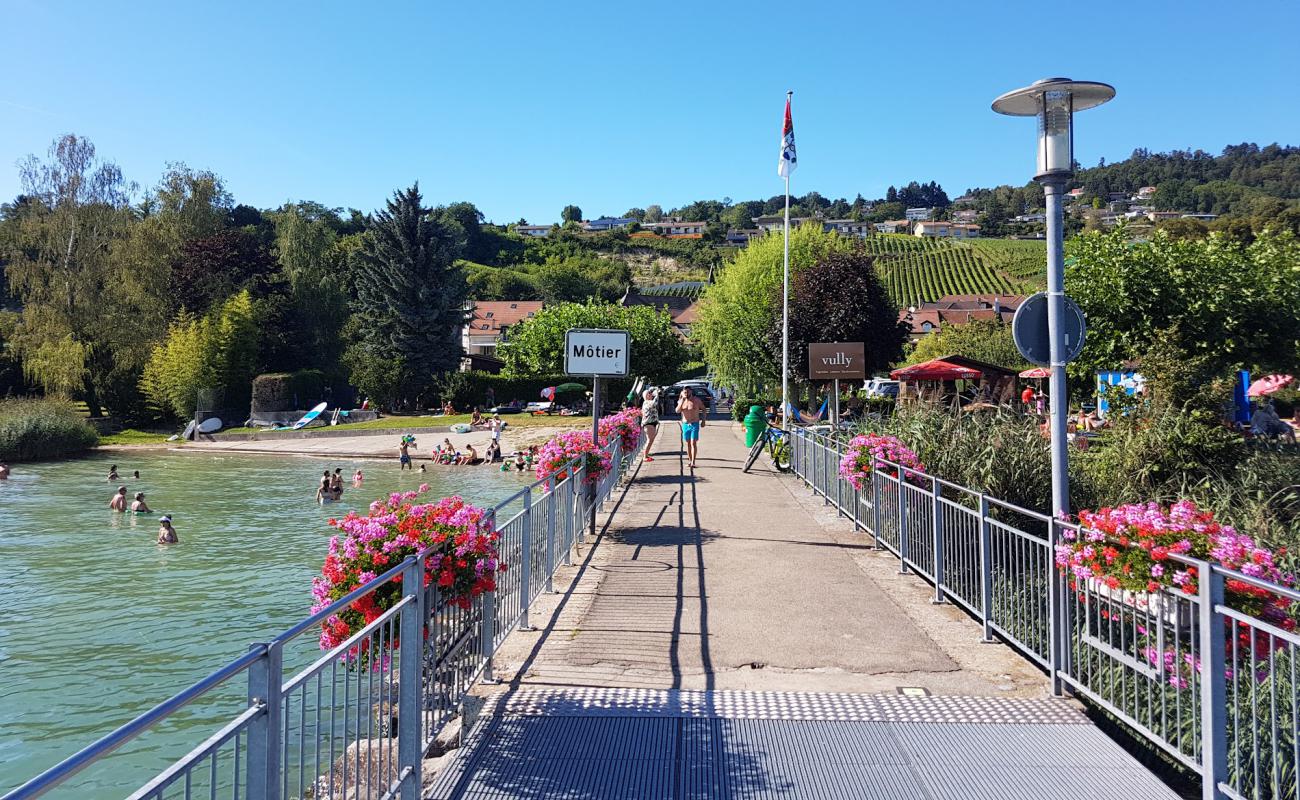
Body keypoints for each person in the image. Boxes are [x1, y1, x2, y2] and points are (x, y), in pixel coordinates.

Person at [676, 387, 704, 469]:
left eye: (688, 392)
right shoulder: (681, 401)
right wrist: (682, 401)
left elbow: (704, 409)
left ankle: (693, 462)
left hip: (694, 423)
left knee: (693, 443)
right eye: (685, 392)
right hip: (685, 424)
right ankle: (689, 460)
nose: (686, 393)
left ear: (691, 391)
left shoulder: (696, 400)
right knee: (687, 443)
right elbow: (677, 411)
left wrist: (703, 420)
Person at [640, 388, 661, 462]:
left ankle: (646, 454)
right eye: (649, 393)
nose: (651, 394)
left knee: (651, 439)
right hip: (648, 423)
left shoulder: (648, 402)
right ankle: (645, 456)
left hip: (652, 423)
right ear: (646, 396)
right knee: (650, 439)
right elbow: (654, 403)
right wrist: (657, 394)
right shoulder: (647, 402)